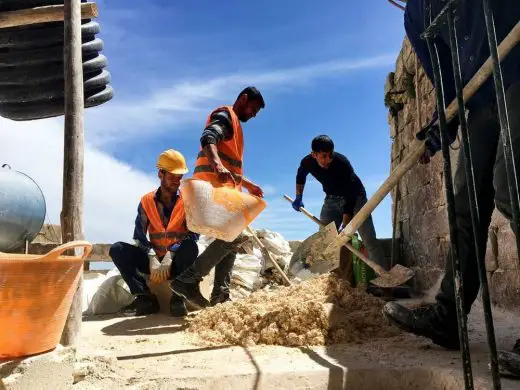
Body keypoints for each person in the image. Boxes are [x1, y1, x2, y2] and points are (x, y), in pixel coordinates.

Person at [382, 0, 520, 377]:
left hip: (516, 69)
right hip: (479, 100)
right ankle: (450, 316)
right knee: (465, 205)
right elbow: (445, 79)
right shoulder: (416, 15)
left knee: (513, 193)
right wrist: (440, 125)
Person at [170, 86, 265, 309]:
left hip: (222, 190)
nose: (253, 114)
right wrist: (218, 165)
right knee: (235, 237)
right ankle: (188, 280)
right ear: (243, 99)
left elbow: (231, 166)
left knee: (232, 238)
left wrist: (248, 184)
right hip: (212, 190)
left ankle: (220, 296)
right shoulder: (226, 116)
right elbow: (208, 137)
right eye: (253, 108)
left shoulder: (235, 127)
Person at [109, 149, 199, 317]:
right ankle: (145, 298)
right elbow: (139, 235)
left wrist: (171, 254)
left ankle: (178, 298)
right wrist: (151, 256)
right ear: (160, 174)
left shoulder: (187, 201)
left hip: (177, 263)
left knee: (191, 246)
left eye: (179, 178)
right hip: (155, 264)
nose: (176, 182)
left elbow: (193, 234)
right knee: (117, 249)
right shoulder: (147, 201)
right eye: (172, 176)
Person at [292, 135, 387, 269]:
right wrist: (298, 197)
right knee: (324, 238)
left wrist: (346, 224)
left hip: (356, 199)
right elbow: (301, 175)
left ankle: (385, 280)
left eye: (330, 154)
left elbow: (350, 195)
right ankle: (322, 276)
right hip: (331, 199)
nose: (329, 159)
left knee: (369, 239)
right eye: (324, 156)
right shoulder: (307, 162)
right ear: (314, 154)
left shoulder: (342, 164)